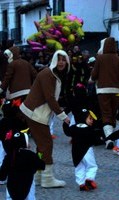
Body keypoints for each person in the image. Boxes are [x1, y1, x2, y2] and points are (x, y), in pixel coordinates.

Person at [19, 50, 71, 188]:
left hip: (35, 112)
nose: (61, 62)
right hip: (36, 113)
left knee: (42, 147)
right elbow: (50, 98)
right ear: (54, 60)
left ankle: (38, 173)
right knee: (46, 145)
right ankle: (47, 178)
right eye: (59, 59)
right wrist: (63, 116)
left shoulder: (52, 74)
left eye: (64, 59)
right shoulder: (49, 74)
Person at [90, 37, 119, 149]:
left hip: (103, 90)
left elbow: (94, 75)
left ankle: (109, 138)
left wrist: (92, 79)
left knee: (106, 114)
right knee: (113, 114)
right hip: (117, 91)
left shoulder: (100, 58)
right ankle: (111, 136)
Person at [0, 99, 45, 200]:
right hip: (27, 184)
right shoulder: (30, 155)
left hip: (12, 186)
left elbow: (2, 175)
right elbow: (41, 165)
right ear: (25, 144)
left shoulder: (9, 156)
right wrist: (40, 155)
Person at [63, 109, 101, 191]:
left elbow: (67, 132)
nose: (92, 121)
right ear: (84, 118)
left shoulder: (73, 127)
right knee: (92, 166)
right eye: (90, 119)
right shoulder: (89, 129)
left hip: (75, 152)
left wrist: (65, 124)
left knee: (79, 167)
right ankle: (89, 179)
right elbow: (95, 140)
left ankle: (81, 183)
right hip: (87, 151)